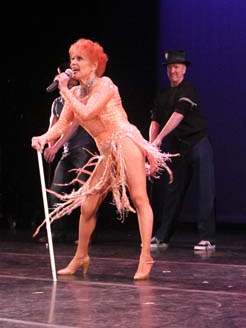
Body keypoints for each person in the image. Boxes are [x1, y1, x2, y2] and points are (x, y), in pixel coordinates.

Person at [31, 38, 173, 280]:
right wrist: (44, 137)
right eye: (72, 58)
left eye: (79, 59)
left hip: (125, 140)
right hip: (107, 151)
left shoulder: (105, 85)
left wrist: (64, 89)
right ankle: (81, 256)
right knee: (87, 206)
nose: (73, 63)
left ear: (94, 65)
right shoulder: (75, 92)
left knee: (139, 198)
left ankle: (146, 256)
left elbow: (86, 112)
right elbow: (64, 123)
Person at [148, 50, 217, 251]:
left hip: (198, 144)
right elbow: (155, 121)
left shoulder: (189, 89)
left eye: (177, 67)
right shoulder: (162, 95)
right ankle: (162, 236)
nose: (173, 71)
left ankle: (207, 238)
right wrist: (152, 144)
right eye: (170, 67)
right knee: (173, 192)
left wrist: (160, 139)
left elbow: (178, 115)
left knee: (205, 190)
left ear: (184, 69)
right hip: (178, 149)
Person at [39, 65, 97, 243]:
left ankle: (86, 234)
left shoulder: (80, 97)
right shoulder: (57, 103)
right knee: (55, 191)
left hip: (83, 149)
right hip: (66, 151)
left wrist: (55, 147)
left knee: (85, 193)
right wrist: (47, 144)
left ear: (72, 79)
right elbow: (54, 126)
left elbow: (73, 126)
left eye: (65, 77)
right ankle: (57, 230)